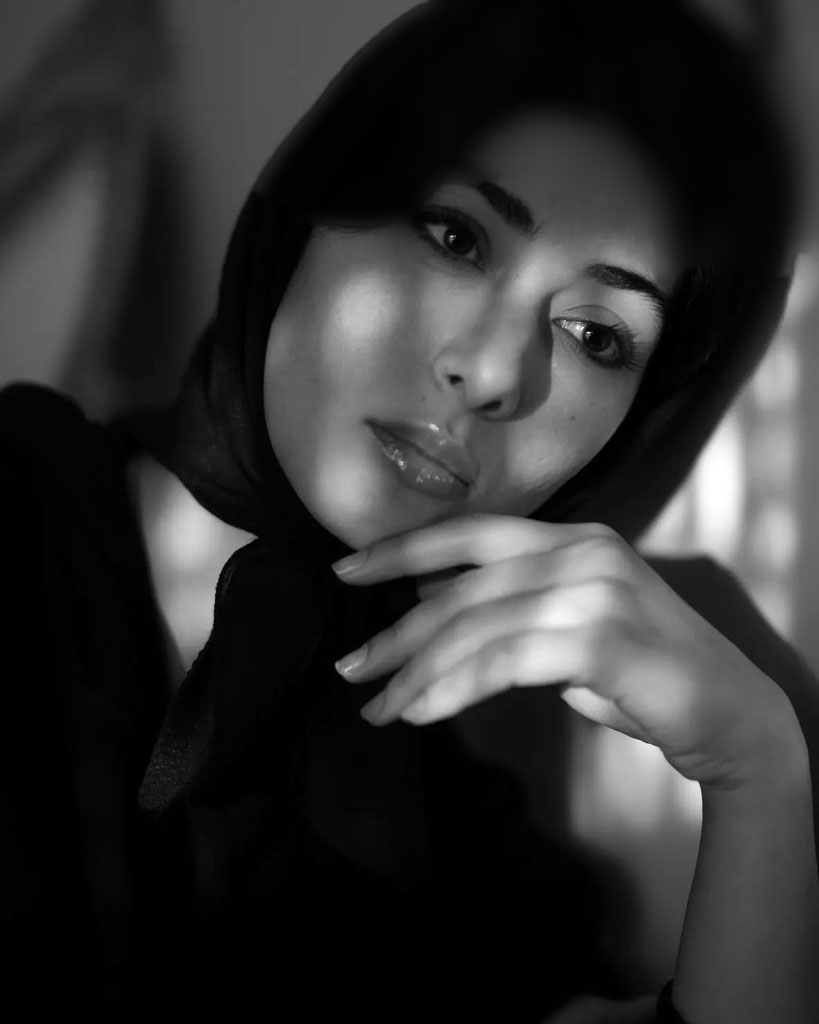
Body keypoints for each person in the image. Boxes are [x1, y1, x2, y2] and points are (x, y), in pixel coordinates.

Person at [2, 1, 818, 1021]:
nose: (491, 371)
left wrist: (758, 769)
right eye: (455, 237)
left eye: (595, 336)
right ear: (312, 202)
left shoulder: (432, 818)